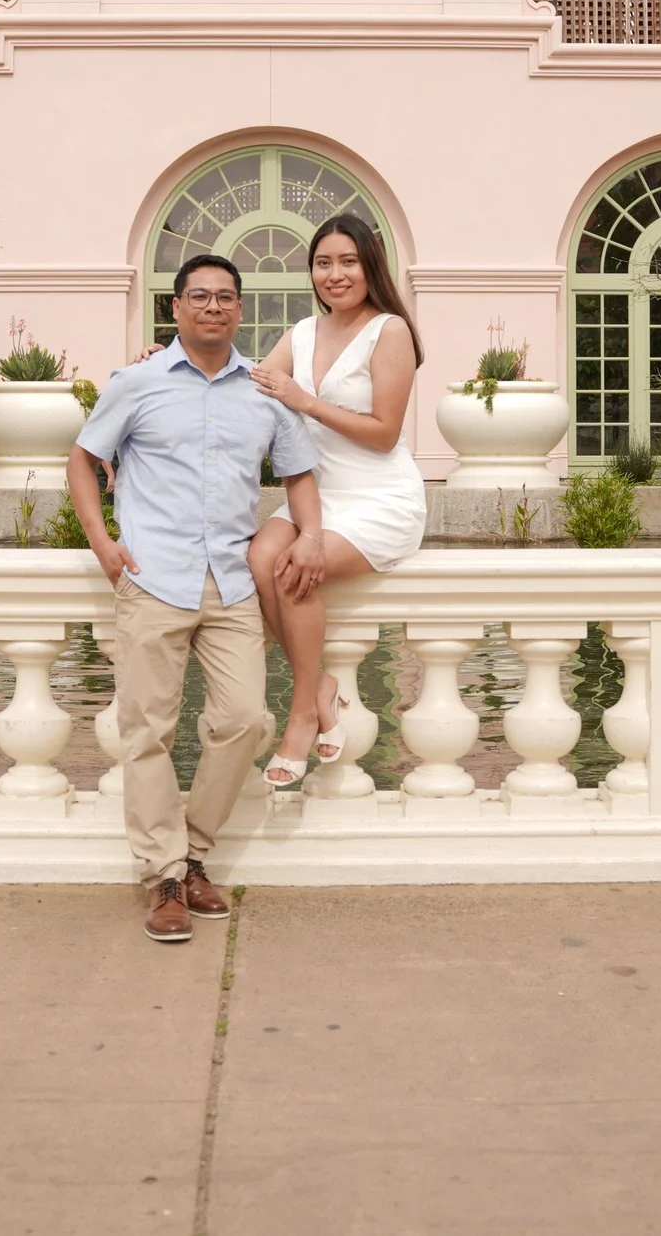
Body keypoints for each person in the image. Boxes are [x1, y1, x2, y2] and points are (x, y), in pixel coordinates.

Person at [68, 253, 326, 944]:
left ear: (239, 311)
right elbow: (83, 458)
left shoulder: (265, 392)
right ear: (176, 307)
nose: (214, 307)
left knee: (245, 718)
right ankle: (166, 879)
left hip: (233, 580)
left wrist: (312, 535)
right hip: (153, 575)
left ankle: (194, 849)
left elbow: (299, 472)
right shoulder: (138, 381)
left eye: (226, 298)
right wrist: (102, 543)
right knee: (147, 730)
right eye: (200, 296)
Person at [245, 212, 428, 787]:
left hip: (379, 497)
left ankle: (301, 716)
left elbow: (384, 432)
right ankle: (320, 685)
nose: (335, 274)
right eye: (323, 263)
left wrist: (304, 401)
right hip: (314, 496)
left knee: (294, 565)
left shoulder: (389, 330)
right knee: (256, 560)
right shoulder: (302, 333)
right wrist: (171, 361)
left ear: (369, 264)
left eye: (347, 261)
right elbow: (244, 381)